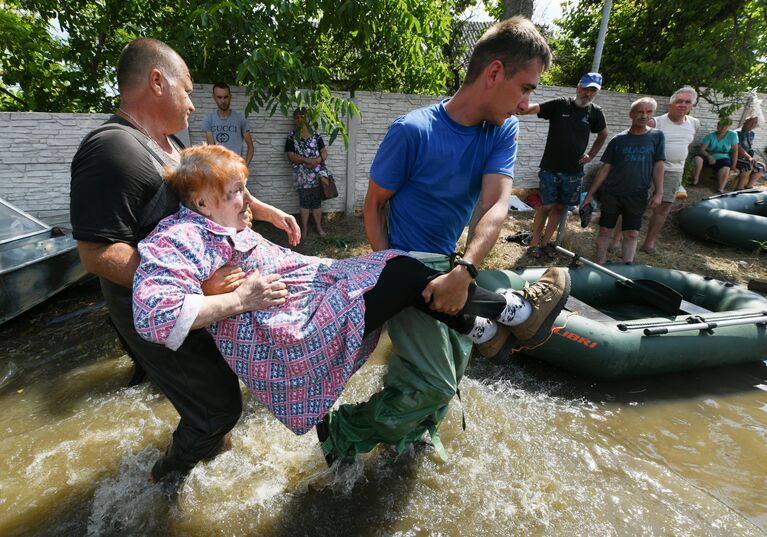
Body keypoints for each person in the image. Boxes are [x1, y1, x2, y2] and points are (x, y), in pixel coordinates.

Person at [133, 144, 548, 444]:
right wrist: (241, 300)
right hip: (293, 337)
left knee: (397, 270)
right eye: (237, 191)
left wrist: (266, 216)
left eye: (245, 188)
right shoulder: (180, 237)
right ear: (202, 201)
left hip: (309, 302)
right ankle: (511, 311)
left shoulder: (217, 221)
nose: (248, 201)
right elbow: (154, 317)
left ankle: (483, 327)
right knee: (402, 273)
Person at [319, 17, 570, 465]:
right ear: (494, 73)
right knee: (434, 381)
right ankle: (343, 431)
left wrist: (465, 269)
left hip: (453, 265)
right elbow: (374, 206)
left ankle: (415, 433)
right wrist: (391, 272)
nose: (528, 102)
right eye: (525, 88)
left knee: (452, 371)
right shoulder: (412, 130)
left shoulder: (502, 130)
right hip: (408, 265)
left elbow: (496, 204)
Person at [70, 38, 300, 485]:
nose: (194, 105)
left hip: (200, 298)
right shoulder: (112, 150)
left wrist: (266, 211)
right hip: (158, 308)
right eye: (188, 90)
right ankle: (164, 479)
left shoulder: (170, 142)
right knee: (219, 406)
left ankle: (210, 452)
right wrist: (195, 286)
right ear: (157, 81)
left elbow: (213, 185)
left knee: (215, 397)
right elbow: (96, 253)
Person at [519, 72, 608, 259]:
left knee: (560, 208)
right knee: (546, 205)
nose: (588, 94)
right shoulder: (561, 104)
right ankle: (534, 244)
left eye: (593, 91)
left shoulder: (595, 113)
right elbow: (535, 108)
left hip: (574, 171)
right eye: (586, 89)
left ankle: (546, 244)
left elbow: (603, 134)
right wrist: (515, 108)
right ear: (578, 87)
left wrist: (591, 154)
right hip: (550, 167)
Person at [580, 97, 665, 265]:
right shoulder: (618, 139)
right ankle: (600, 263)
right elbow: (605, 169)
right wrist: (589, 196)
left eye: (649, 112)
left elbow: (658, 164)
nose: (644, 115)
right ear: (631, 114)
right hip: (612, 193)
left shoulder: (656, 137)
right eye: (640, 111)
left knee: (632, 233)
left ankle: (627, 266)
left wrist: (659, 192)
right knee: (605, 230)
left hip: (637, 194)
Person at [638, 86, 700, 254]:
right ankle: (618, 239)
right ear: (670, 104)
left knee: (663, 209)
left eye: (687, 102)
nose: (683, 105)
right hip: (650, 170)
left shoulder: (694, 123)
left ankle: (649, 244)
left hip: (675, 172)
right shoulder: (655, 122)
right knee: (635, 206)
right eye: (679, 101)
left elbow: (688, 144)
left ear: (691, 106)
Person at [285, 107, 329, 237]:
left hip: (317, 176)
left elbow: (324, 152)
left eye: (302, 117)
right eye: (297, 117)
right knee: (304, 202)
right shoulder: (291, 136)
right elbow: (290, 155)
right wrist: (306, 160)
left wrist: (318, 160)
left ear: (307, 118)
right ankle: (304, 229)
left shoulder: (316, 135)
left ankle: (319, 227)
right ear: (294, 119)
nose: (300, 119)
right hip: (301, 176)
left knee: (316, 202)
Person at [203, 82, 255, 168]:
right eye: (219, 97)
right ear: (214, 97)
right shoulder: (209, 119)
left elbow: (251, 147)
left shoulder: (240, 119)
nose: (223, 101)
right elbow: (211, 149)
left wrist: (244, 167)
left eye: (226, 97)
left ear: (230, 96)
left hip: (236, 169)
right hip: (218, 170)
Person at [691, 116, 739, 193]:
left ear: (729, 127)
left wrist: (734, 164)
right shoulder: (710, 136)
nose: (723, 128)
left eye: (725, 126)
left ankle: (720, 189)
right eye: (721, 125)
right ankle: (695, 181)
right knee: (697, 159)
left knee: (726, 167)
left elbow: (735, 151)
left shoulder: (732, 135)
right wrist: (709, 157)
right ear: (717, 126)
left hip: (723, 156)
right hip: (709, 154)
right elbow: (701, 150)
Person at [734, 115, 766, 190]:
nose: (753, 124)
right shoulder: (736, 133)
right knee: (747, 165)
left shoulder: (752, 133)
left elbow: (749, 147)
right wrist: (749, 158)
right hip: (734, 156)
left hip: (745, 157)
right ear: (745, 122)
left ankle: (748, 187)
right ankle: (739, 188)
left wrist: (752, 158)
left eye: (755, 123)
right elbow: (738, 148)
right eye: (751, 122)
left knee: (761, 166)